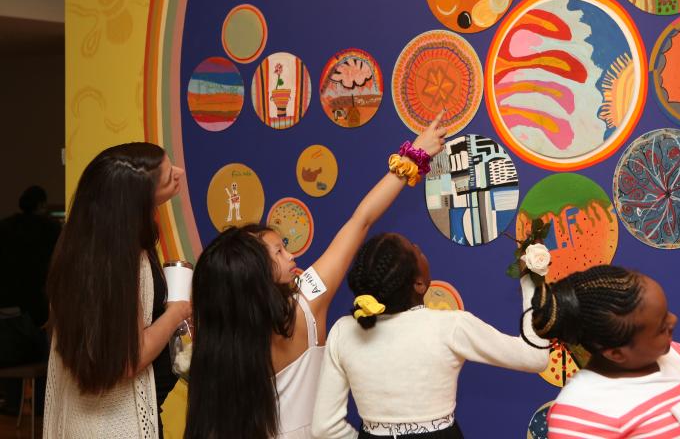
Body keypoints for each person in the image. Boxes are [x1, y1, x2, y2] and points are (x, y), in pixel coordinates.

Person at [185, 115, 448, 439]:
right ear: (255, 277)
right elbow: (360, 221)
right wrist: (413, 157)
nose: (292, 255)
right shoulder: (304, 309)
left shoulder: (219, 346)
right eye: (279, 253)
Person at [310, 233, 550, 439]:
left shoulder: (343, 331)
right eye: (417, 250)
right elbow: (534, 357)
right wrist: (532, 282)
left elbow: (324, 428)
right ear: (419, 284)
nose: (420, 249)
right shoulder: (451, 326)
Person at [523, 265, 680, 438]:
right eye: (660, 327)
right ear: (615, 353)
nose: (674, 320)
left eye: (666, 312)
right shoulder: (578, 417)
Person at [44, 143, 191, 438]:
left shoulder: (85, 245)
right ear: (135, 200)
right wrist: (177, 312)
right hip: (111, 425)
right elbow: (129, 359)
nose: (180, 173)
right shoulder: (117, 262)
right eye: (167, 176)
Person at [0, 186, 60, 414]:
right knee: (44, 356)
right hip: (40, 304)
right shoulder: (51, 229)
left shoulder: (4, 227)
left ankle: (13, 404)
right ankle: (42, 407)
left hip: (8, 304)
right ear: (42, 205)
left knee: (11, 354)